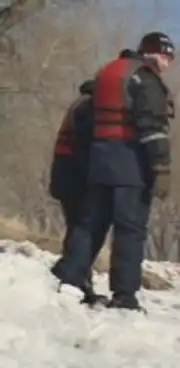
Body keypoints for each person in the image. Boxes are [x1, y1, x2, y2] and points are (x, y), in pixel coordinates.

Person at [50, 31, 176, 311]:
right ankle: (124, 295)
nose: (168, 63)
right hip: (131, 167)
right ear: (155, 54)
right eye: (167, 56)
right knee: (130, 231)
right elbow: (153, 128)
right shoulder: (145, 78)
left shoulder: (109, 73)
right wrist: (161, 170)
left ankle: (69, 280)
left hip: (100, 164)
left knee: (90, 225)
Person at [49, 80, 107, 305]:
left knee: (78, 230)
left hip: (66, 175)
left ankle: (80, 279)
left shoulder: (78, 104)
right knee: (85, 230)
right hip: (76, 178)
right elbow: (86, 144)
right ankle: (71, 276)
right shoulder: (87, 107)